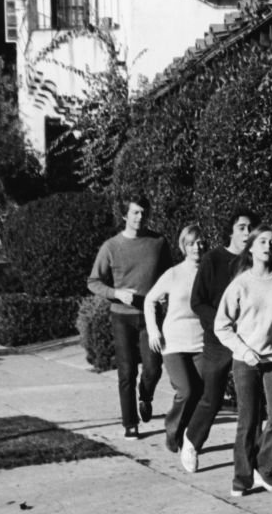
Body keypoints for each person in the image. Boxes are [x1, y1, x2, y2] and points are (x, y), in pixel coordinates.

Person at [214, 225, 272, 496]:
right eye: (262, 241)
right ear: (251, 248)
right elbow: (222, 326)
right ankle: (242, 478)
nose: (268, 246)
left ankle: (264, 468)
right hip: (246, 360)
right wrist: (243, 352)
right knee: (248, 419)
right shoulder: (240, 285)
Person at [179, 205, 260, 472]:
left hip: (249, 341)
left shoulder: (256, 262)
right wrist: (220, 323)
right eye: (241, 228)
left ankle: (254, 463)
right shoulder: (213, 259)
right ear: (231, 232)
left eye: (250, 228)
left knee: (252, 402)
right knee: (212, 397)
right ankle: (191, 440)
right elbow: (197, 302)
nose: (247, 233)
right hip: (218, 341)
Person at [87, 193, 172, 439]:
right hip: (122, 316)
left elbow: (169, 275)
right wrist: (116, 293)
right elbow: (93, 281)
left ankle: (145, 396)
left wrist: (166, 293)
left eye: (143, 212)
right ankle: (130, 423)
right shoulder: (111, 247)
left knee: (154, 368)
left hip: (151, 315)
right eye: (134, 212)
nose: (139, 217)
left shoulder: (158, 242)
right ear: (125, 215)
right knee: (126, 372)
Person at [143, 224, 207, 453]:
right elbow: (149, 300)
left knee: (202, 393)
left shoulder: (211, 273)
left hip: (201, 342)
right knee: (186, 391)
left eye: (199, 242)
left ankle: (188, 436)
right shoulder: (173, 274)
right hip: (174, 343)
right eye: (191, 243)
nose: (196, 248)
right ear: (183, 247)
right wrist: (153, 331)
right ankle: (172, 430)